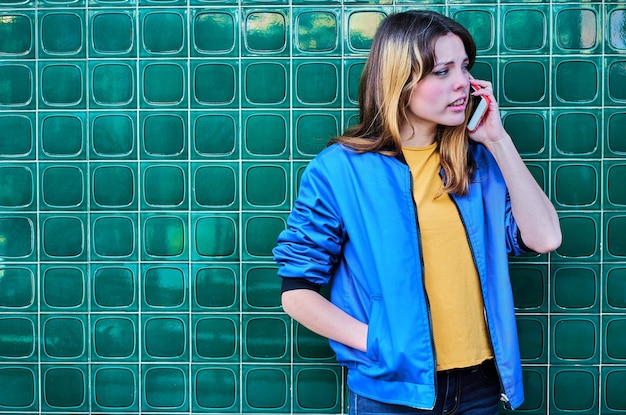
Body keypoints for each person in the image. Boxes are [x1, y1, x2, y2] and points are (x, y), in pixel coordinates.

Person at [273, 10, 561, 414]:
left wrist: (497, 140)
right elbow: (297, 293)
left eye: (464, 67)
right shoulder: (341, 169)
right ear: (401, 80)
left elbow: (545, 238)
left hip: (479, 387)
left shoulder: (476, 163)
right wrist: (378, 341)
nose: (462, 82)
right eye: (442, 71)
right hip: (392, 391)